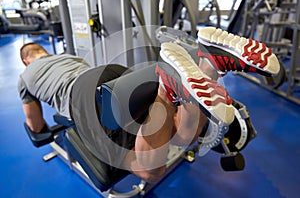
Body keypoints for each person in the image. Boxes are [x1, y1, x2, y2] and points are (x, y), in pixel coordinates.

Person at [18, 26, 280, 183]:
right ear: (44, 54)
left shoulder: (25, 76)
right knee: (181, 138)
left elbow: (36, 123)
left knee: (151, 171)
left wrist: (41, 131)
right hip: (111, 73)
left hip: (83, 97)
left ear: (27, 60)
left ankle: (166, 92)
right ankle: (209, 65)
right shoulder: (67, 57)